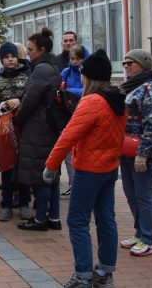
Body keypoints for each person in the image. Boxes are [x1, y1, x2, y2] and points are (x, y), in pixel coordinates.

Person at [44, 49, 126, 288]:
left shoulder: (92, 101)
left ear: (89, 76)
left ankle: (83, 276)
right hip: (109, 168)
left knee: (78, 222)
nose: (79, 76)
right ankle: (105, 272)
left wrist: (51, 165)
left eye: (82, 73)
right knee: (106, 220)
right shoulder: (117, 99)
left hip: (89, 169)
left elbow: (68, 136)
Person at [14, 28, 62, 231]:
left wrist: (17, 119)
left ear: (42, 49)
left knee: (40, 174)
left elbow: (30, 100)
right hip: (48, 125)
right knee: (51, 173)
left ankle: (41, 218)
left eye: (31, 49)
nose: (28, 52)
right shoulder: (52, 66)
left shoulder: (41, 69)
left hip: (38, 127)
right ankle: (54, 217)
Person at [119, 49, 152, 257]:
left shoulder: (150, 89)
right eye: (125, 63)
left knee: (144, 195)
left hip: (142, 153)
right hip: (126, 150)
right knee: (131, 194)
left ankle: (148, 239)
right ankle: (140, 233)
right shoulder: (130, 87)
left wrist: (143, 153)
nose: (127, 66)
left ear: (143, 65)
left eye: (131, 63)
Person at [0, 42, 32, 221]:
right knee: (7, 166)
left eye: (12, 56)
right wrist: (2, 104)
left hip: (25, 126)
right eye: (6, 57)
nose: (10, 59)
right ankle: (6, 204)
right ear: (2, 60)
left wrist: (20, 101)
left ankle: (25, 203)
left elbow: (34, 95)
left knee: (24, 165)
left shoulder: (28, 74)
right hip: (5, 129)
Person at [60, 44, 89, 198]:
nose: (74, 61)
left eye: (78, 58)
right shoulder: (66, 72)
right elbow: (60, 88)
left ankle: (80, 185)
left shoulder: (87, 72)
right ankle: (73, 184)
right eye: (72, 58)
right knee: (69, 154)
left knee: (81, 152)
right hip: (68, 114)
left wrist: (69, 91)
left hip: (82, 114)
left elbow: (87, 90)